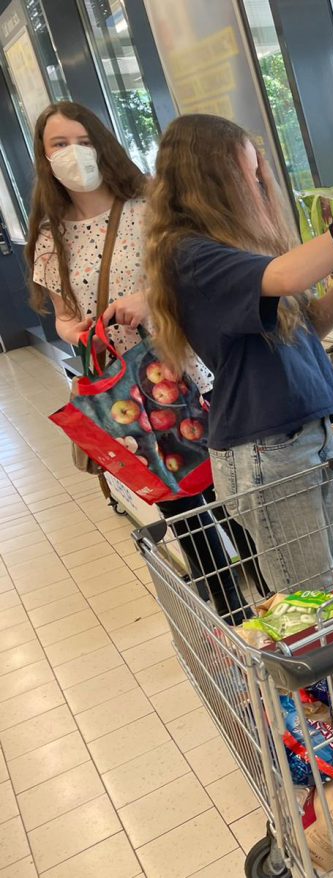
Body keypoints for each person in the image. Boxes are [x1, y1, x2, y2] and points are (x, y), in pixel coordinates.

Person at [25, 101, 251, 622]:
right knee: (179, 509)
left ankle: (270, 593)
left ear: (102, 143)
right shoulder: (48, 238)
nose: (73, 154)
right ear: (43, 157)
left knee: (232, 495)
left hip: (187, 373)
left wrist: (152, 298)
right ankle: (235, 620)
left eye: (82, 140)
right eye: (59, 145)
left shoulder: (152, 206)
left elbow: (201, 273)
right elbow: (61, 316)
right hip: (127, 394)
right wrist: (74, 329)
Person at [145, 114, 333, 592]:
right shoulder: (191, 256)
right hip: (267, 448)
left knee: (331, 589)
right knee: (308, 603)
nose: (259, 184)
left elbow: (313, 324)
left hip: (308, 436)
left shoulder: (242, 248)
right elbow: (288, 278)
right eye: (249, 174)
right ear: (214, 182)